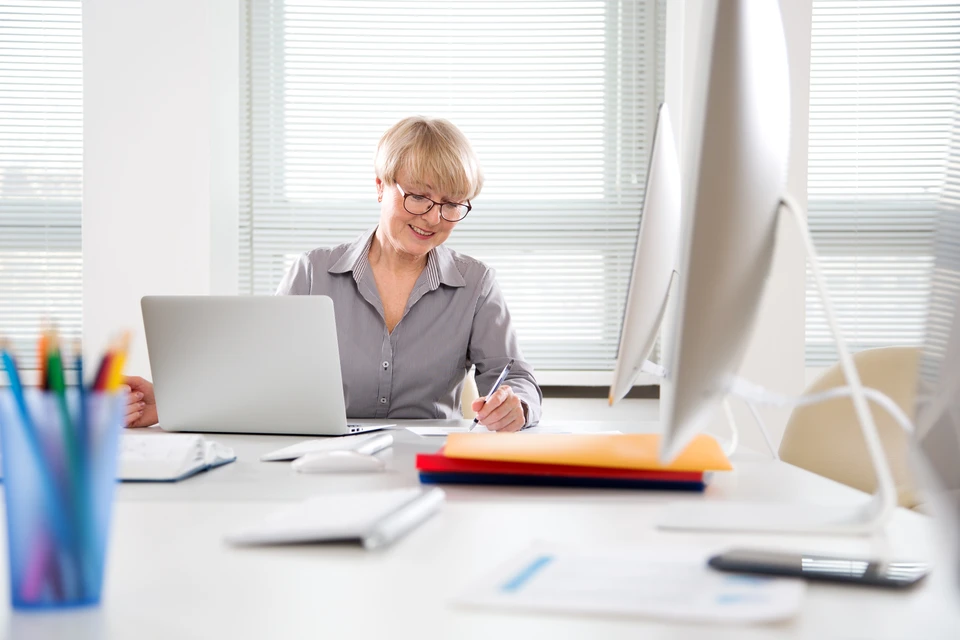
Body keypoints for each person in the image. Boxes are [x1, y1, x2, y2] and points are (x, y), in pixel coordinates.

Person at [123, 116, 542, 432]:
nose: (433, 217)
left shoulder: (475, 285)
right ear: (381, 186)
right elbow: (258, 377)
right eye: (418, 197)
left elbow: (516, 377)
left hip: (428, 466)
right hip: (320, 463)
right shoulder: (312, 273)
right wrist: (174, 402)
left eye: (452, 204)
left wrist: (515, 406)